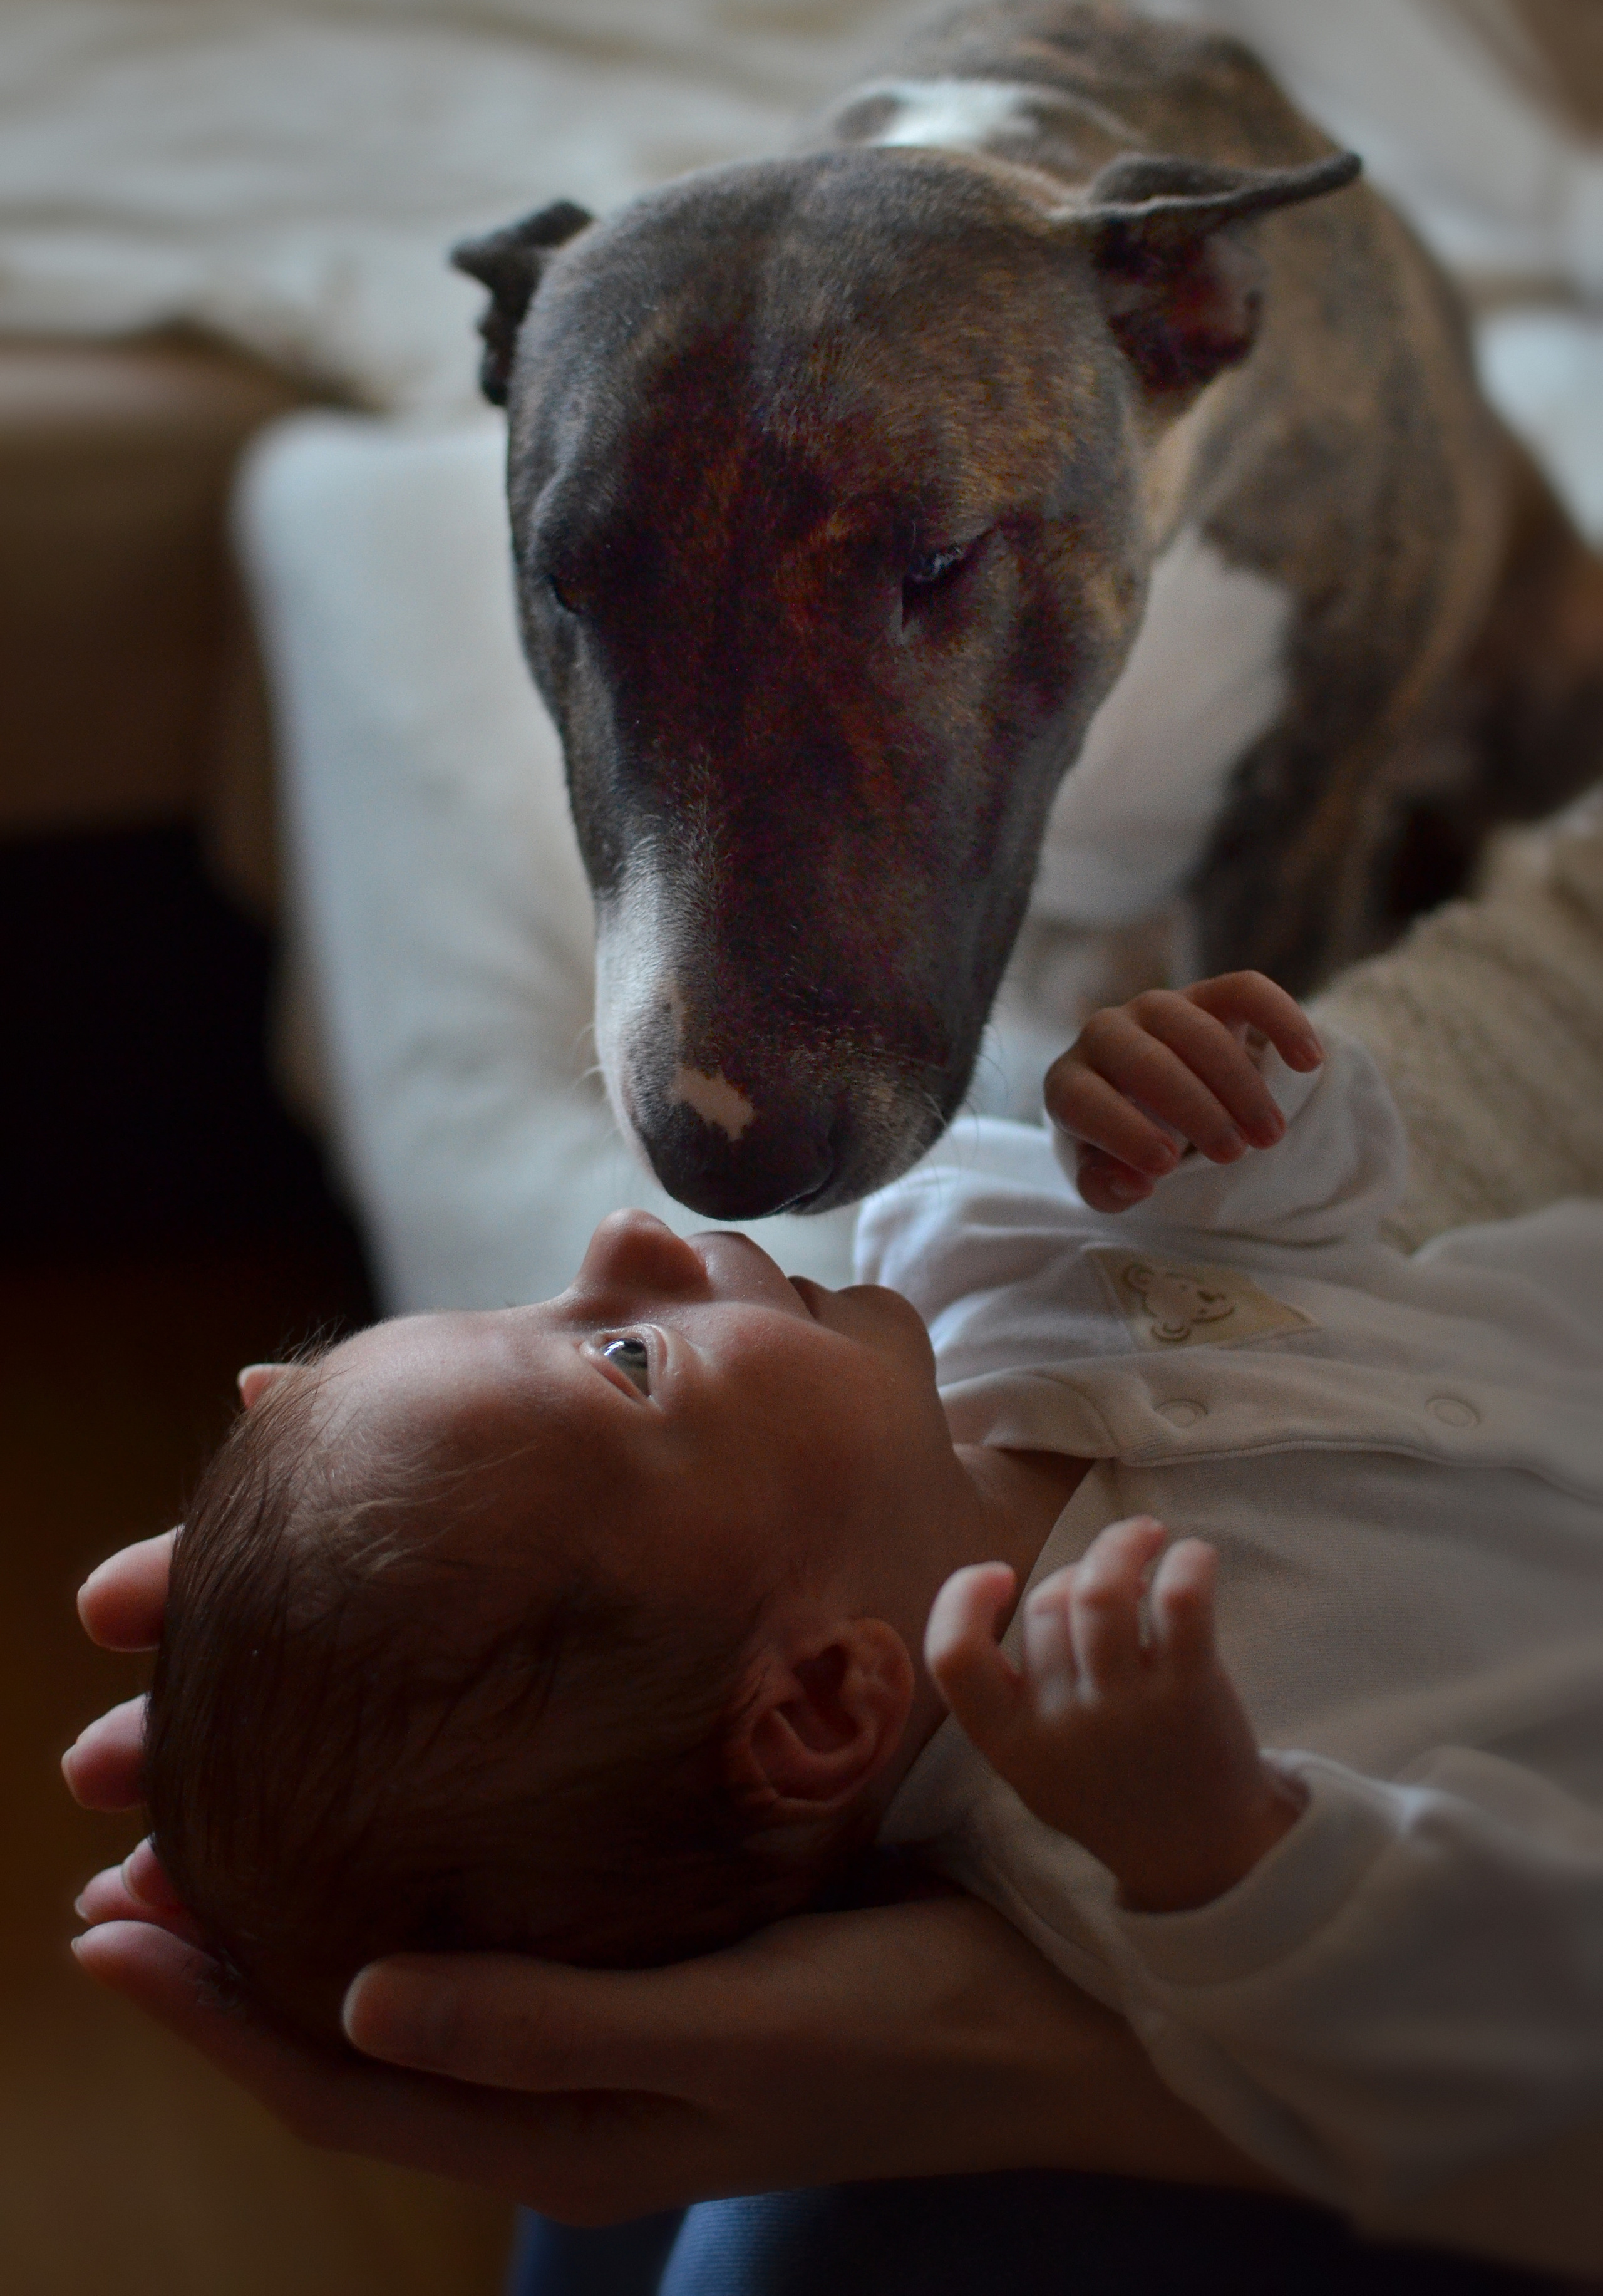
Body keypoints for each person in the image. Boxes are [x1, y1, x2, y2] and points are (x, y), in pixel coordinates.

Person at [68, 952, 1603, 2284]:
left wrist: (1216, 1118)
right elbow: (1524, 2041)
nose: (629, 1242)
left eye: (552, 1295)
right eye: (622, 1361)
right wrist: (1239, 1851)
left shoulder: (972, 1265)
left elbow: (1328, 1224)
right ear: (816, 1707)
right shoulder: (1114, 1853)